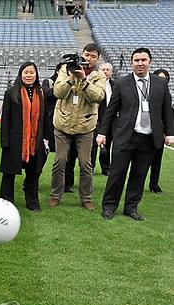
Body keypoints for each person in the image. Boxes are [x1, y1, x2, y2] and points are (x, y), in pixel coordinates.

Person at [97, 48, 174, 221]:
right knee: (117, 174)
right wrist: (102, 133)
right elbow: (110, 111)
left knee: (139, 176)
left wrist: (170, 133)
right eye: (136, 60)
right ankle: (109, 206)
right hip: (125, 137)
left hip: (149, 138)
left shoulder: (160, 84)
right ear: (132, 63)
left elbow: (166, 110)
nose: (140, 63)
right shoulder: (121, 83)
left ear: (149, 61)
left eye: (143, 60)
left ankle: (131, 208)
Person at [49, 43, 106, 210]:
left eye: (93, 56)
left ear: (98, 58)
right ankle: (55, 195)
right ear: (82, 54)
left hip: (85, 126)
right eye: (86, 54)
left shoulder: (100, 75)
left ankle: (86, 198)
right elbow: (58, 93)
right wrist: (71, 77)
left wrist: (83, 79)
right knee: (59, 161)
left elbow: (98, 97)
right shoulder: (65, 69)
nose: (88, 58)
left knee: (85, 163)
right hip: (63, 123)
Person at [0, 62, 50, 211]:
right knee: (9, 174)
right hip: (15, 141)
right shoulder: (11, 93)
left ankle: (32, 202)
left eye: (31, 72)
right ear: (20, 74)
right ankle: (6, 202)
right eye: (26, 72)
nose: (29, 75)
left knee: (33, 174)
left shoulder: (41, 93)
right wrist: (5, 142)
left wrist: (46, 136)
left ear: (36, 75)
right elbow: (5, 119)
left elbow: (44, 117)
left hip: (35, 141)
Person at [148, 68, 171, 194]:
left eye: (165, 79)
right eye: (160, 78)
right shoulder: (146, 92)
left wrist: (167, 133)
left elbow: (167, 115)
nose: (163, 81)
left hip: (158, 132)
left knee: (157, 161)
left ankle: (154, 184)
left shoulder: (167, 95)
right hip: (143, 131)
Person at [90, 62, 114, 176]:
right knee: (93, 145)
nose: (105, 71)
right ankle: (91, 167)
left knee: (107, 144)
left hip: (111, 120)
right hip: (96, 118)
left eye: (107, 70)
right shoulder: (94, 84)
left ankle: (106, 168)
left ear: (111, 72)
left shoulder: (116, 85)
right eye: (103, 69)